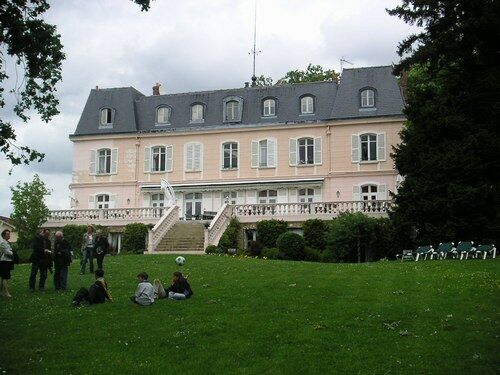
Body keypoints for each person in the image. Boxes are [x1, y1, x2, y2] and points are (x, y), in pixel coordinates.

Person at [0, 229, 14, 297]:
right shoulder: (3, 243)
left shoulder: (7, 242)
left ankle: (2, 292)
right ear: (4, 235)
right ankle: (6, 292)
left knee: (3, 278)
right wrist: (12, 252)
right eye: (7, 234)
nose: (9, 235)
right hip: (4, 261)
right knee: (5, 277)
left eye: (9, 234)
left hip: (7, 261)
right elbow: (7, 252)